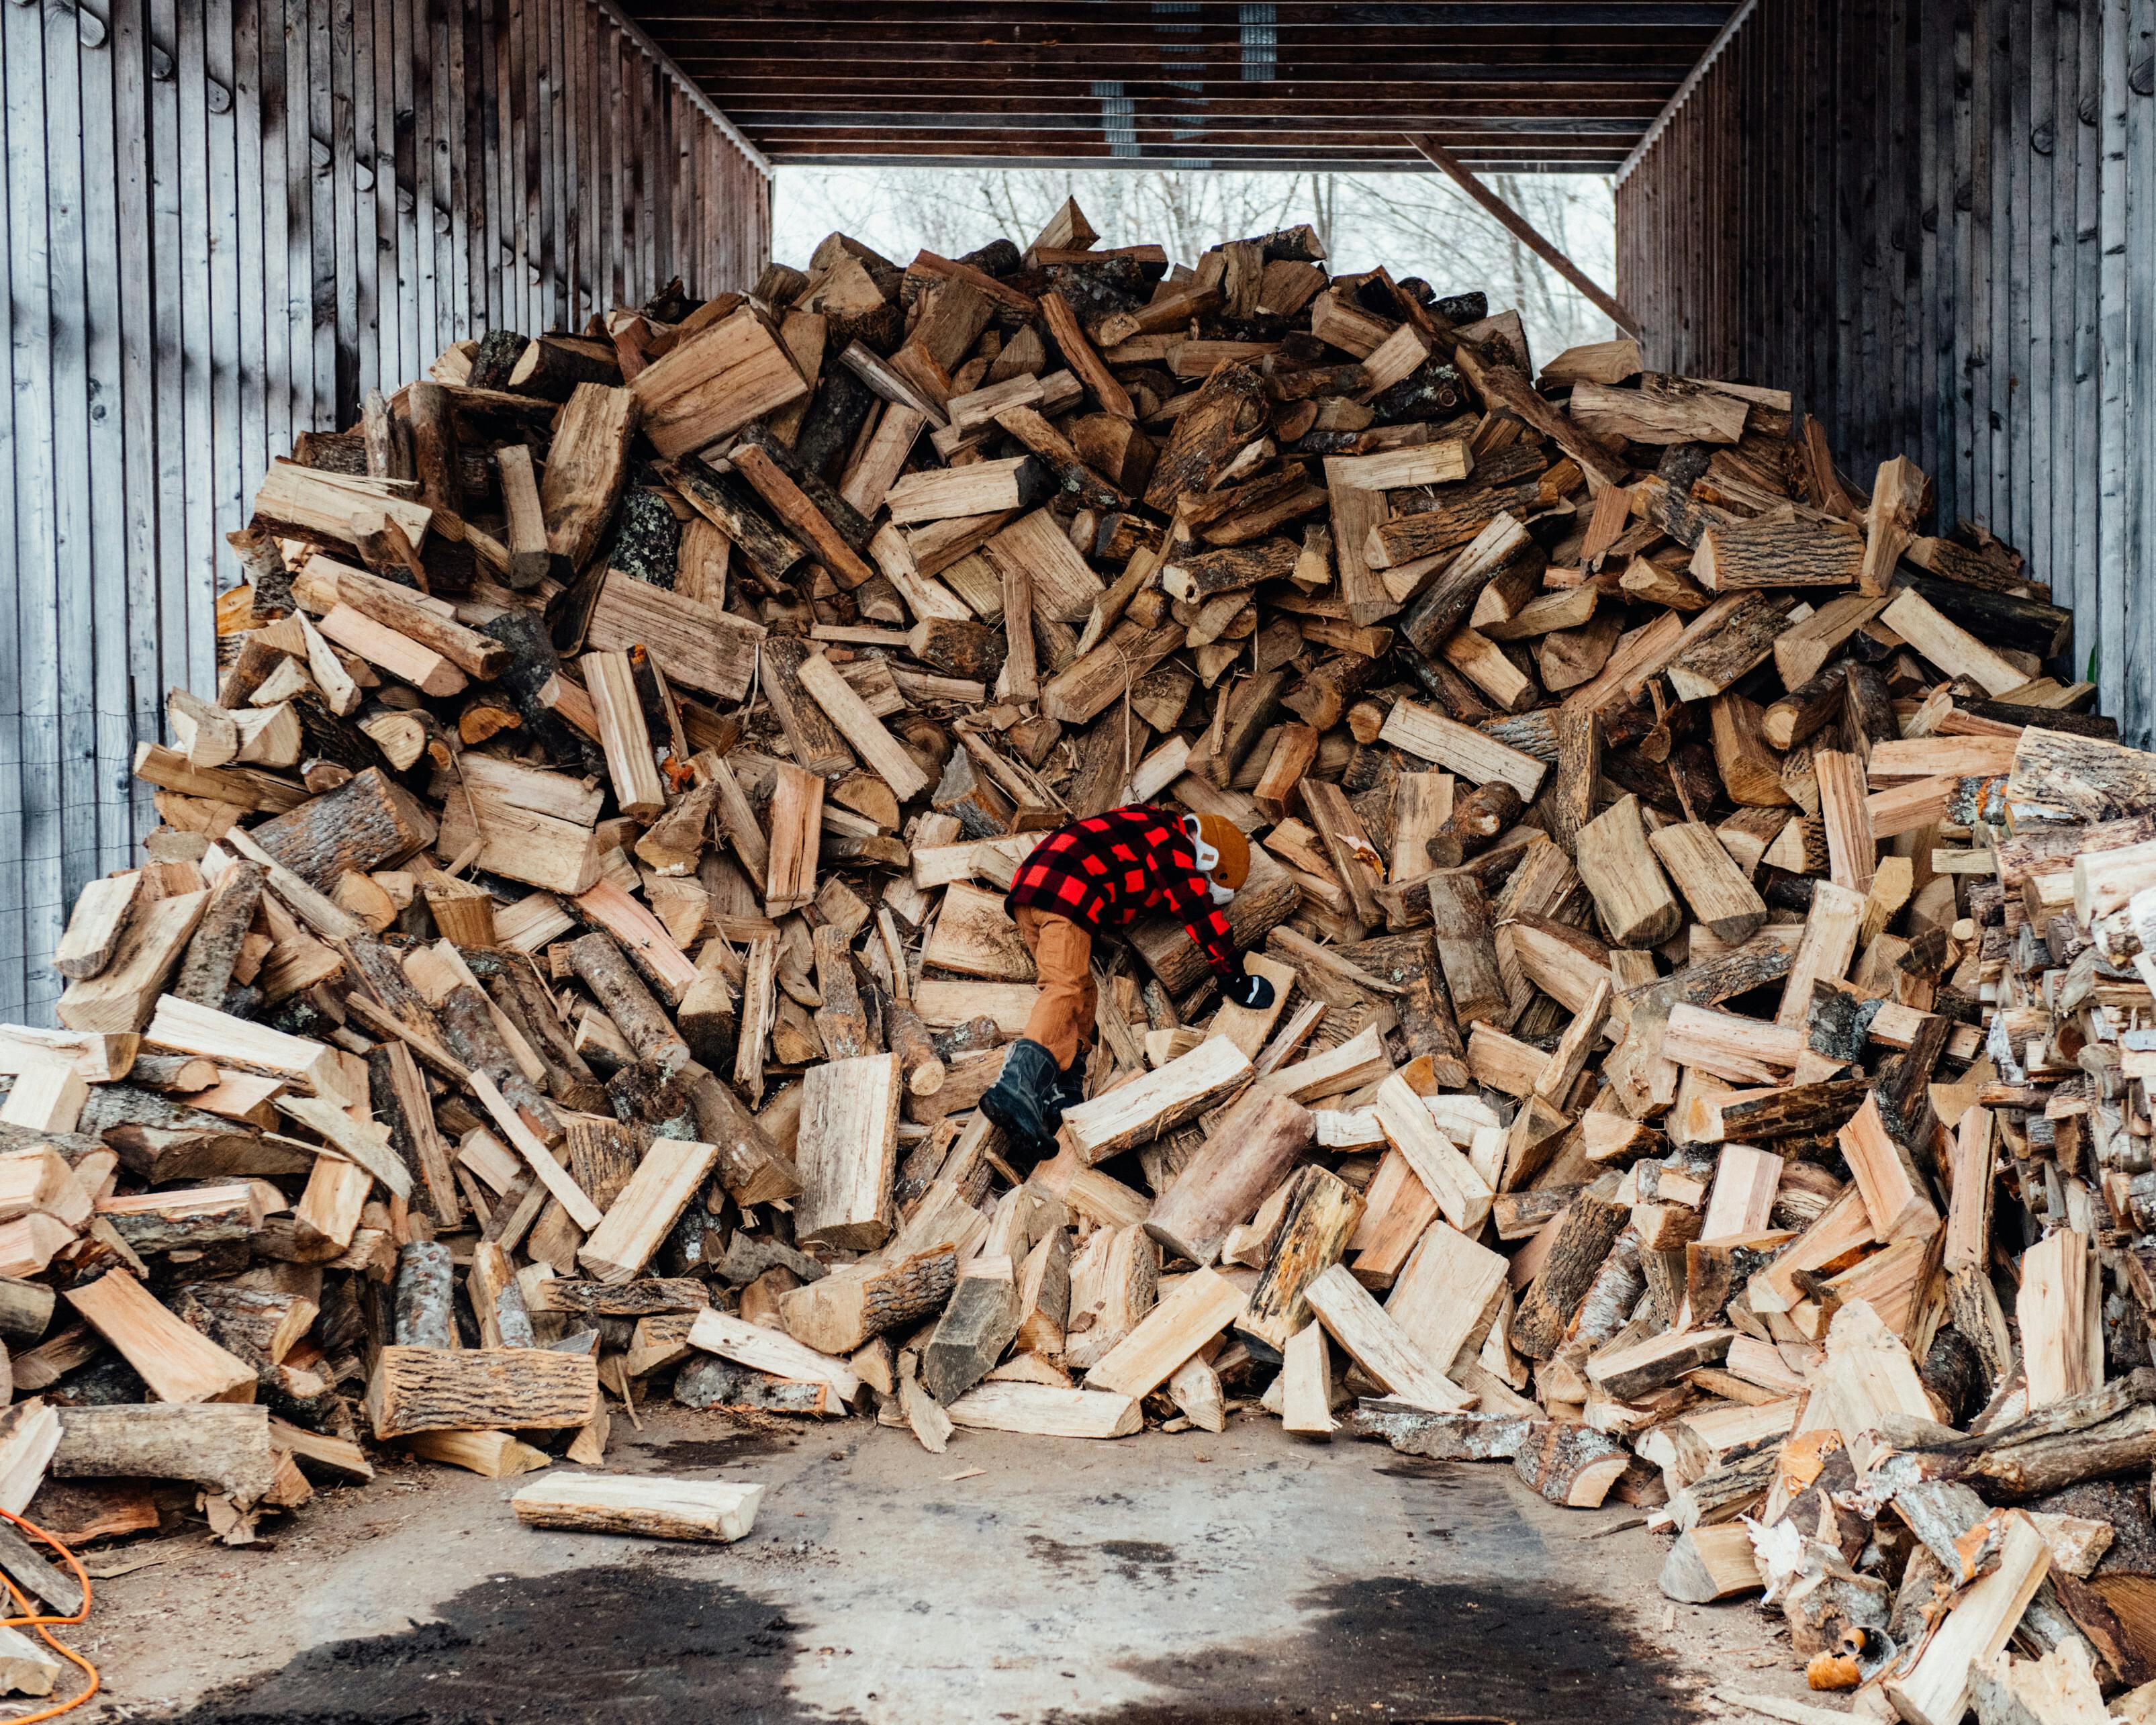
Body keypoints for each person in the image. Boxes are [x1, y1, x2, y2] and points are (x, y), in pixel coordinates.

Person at [978, 803, 1276, 1164]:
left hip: (1033, 886)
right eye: (1207, 881)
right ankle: (1017, 1088)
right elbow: (1199, 912)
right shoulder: (1174, 845)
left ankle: (1061, 1091)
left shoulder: (1147, 823)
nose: (1201, 884)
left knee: (1081, 991)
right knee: (1065, 986)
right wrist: (1235, 977)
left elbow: (1133, 879)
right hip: (1065, 890)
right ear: (1207, 856)